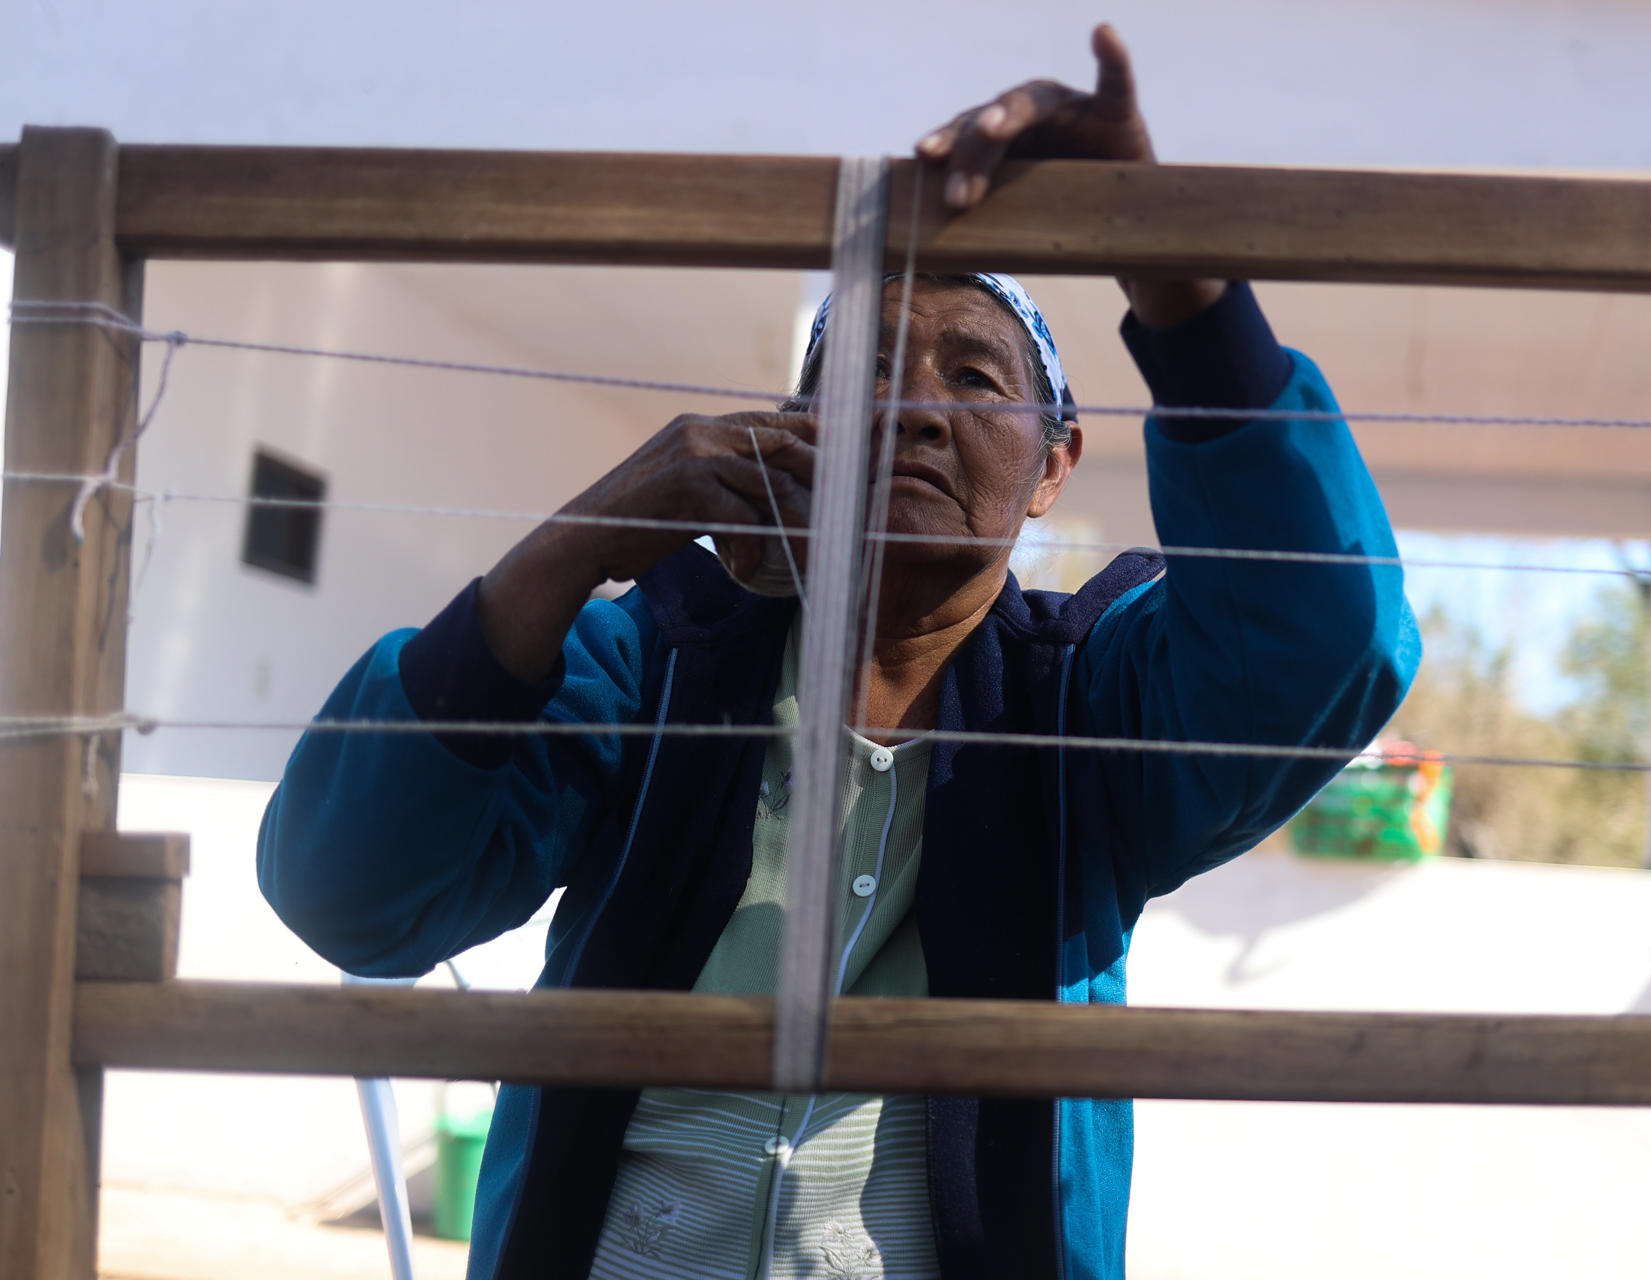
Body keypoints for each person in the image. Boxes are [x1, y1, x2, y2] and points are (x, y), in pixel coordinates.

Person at [258, 24, 1421, 1280]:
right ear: (795, 433)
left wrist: (1169, 261)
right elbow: (348, 893)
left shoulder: (1090, 703)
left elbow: (1327, 642)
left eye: (975, 376)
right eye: (865, 372)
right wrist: (581, 539)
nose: (914, 403)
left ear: (1054, 467)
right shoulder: (650, 665)